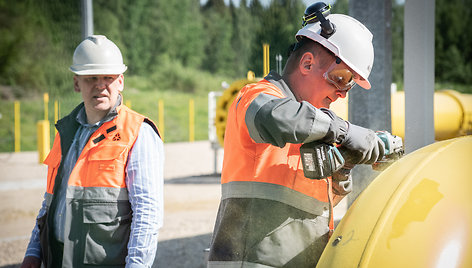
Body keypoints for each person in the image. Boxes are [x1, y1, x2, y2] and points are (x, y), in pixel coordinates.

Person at [208, 3, 385, 267]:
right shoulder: (258, 97)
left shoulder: (315, 126)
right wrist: (346, 131)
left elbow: (315, 208)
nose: (344, 92)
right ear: (307, 62)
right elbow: (280, 119)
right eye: (342, 77)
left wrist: (344, 166)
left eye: (351, 84)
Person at [20, 35, 164, 268]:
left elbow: (147, 215)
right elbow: (49, 204)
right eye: (91, 78)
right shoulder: (65, 132)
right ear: (77, 83)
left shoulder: (139, 133)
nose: (100, 85)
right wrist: (33, 253)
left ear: (121, 82)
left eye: (108, 77)